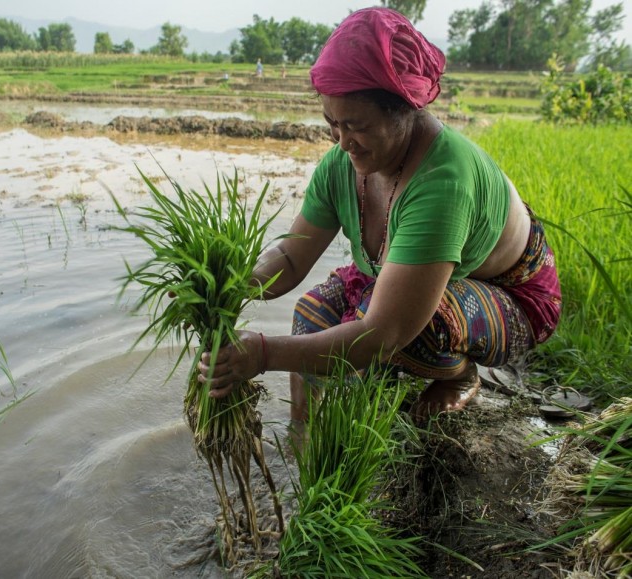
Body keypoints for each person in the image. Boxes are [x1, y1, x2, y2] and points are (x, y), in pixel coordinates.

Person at [197, 8, 561, 424]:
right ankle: (306, 443)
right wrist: (226, 282)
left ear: (405, 111)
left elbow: (382, 333)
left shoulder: (444, 181)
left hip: (510, 298)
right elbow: (291, 257)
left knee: (409, 332)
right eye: (331, 123)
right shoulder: (341, 164)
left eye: (356, 126)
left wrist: (263, 354)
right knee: (311, 315)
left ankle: (459, 376)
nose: (342, 141)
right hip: (427, 276)